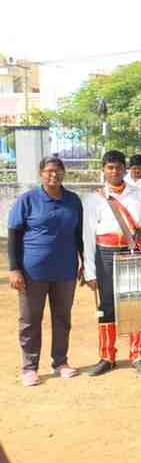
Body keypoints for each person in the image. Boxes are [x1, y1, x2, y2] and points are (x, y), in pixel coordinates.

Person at [9, 156, 84, 386]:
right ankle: (29, 367)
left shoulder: (73, 200)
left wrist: (84, 263)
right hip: (33, 272)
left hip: (65, 270)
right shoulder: (28, 199)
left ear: (63, 173)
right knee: (30, 320)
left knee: (62, 318)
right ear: (41, 173)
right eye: (49, 170)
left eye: (58, 170)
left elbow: (78, 235)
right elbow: (14, 235)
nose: (54, 174)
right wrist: (14, 269)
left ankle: (60, 362)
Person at [83, 150, 141, 376]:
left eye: (118, 167)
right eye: (110, 167)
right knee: (107, 306)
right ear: (103, 170)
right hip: (105, 254)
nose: (114, 171)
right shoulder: (94, 198)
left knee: (136, 303)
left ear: (125, 169)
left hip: (133, 251)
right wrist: (89, 271)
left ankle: (139, 355)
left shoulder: (139, 195)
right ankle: (107, 356)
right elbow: (87, 236)